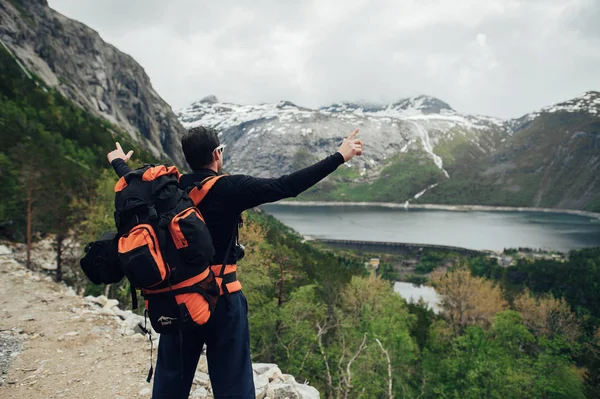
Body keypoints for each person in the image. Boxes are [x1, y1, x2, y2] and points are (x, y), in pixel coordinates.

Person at [107, 126, 363, 398]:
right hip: (223, 299)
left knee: (171, 384)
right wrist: (339, 156)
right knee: (233, 385)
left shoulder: (169, 190)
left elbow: (134, 184)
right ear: (217, 154)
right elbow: (287, 185)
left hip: (177, 299)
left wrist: (119, 162)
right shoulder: (230, 187)